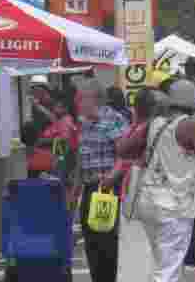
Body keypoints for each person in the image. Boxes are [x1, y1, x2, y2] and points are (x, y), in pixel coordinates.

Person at [130, 80, 195, 282]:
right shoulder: (190, 125)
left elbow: (125, 148)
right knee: (168, 268)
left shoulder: (155, 123)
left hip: (148, 201)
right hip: (174, 206)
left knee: (161, 263)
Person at [75, 77, 130, 282]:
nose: (78, 103)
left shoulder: (114, 120)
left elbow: (124, 155)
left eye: (81, 98)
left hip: (108, 190)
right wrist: (74, 194)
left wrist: (111, 178)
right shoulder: (85, 123)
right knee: (92, 242)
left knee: (108, 243)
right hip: (90, 189)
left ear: (93, 99)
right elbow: (81, 160)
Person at [108, 88, 158, 282]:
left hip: (136, 192)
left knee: (134, 243)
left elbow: (122, 151)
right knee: (148, 245)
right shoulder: (157, 127)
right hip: (152, 192)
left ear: (137, 108)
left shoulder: (141, 128)